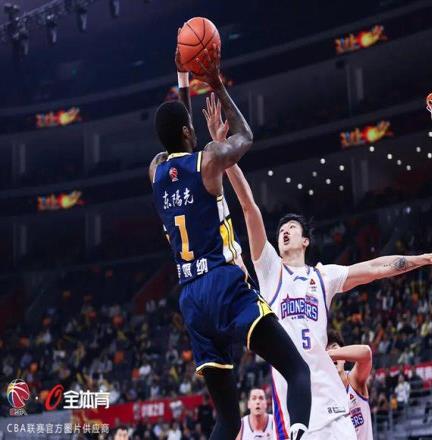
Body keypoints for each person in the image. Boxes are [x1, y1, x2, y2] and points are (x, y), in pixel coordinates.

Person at [212, 124, 432, 438]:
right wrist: (227, 156)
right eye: (281, 230)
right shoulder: (270, 269)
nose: (284, 232)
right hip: (296, 403)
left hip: (333, 402)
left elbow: (375, 268)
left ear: (305, 241)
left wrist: (425, 258)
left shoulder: (324, 276)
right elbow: (249, 208)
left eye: (291, 229)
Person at [149, 45, 311, 440]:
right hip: (223, 284)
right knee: (296, 370)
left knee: (228, 421)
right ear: (188, 132)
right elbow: (246, 136)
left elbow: (179, 142)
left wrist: (182, 81)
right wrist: (216, 85)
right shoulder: (208, 161)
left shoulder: (155, 171)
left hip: (191, 298)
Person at [327, 331, 373, 440]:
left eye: (334, 348)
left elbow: (366, 353)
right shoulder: (323, 393)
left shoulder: (354, 380)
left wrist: (330, 354)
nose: (331, 356)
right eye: (326, 350)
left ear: (344, 357)